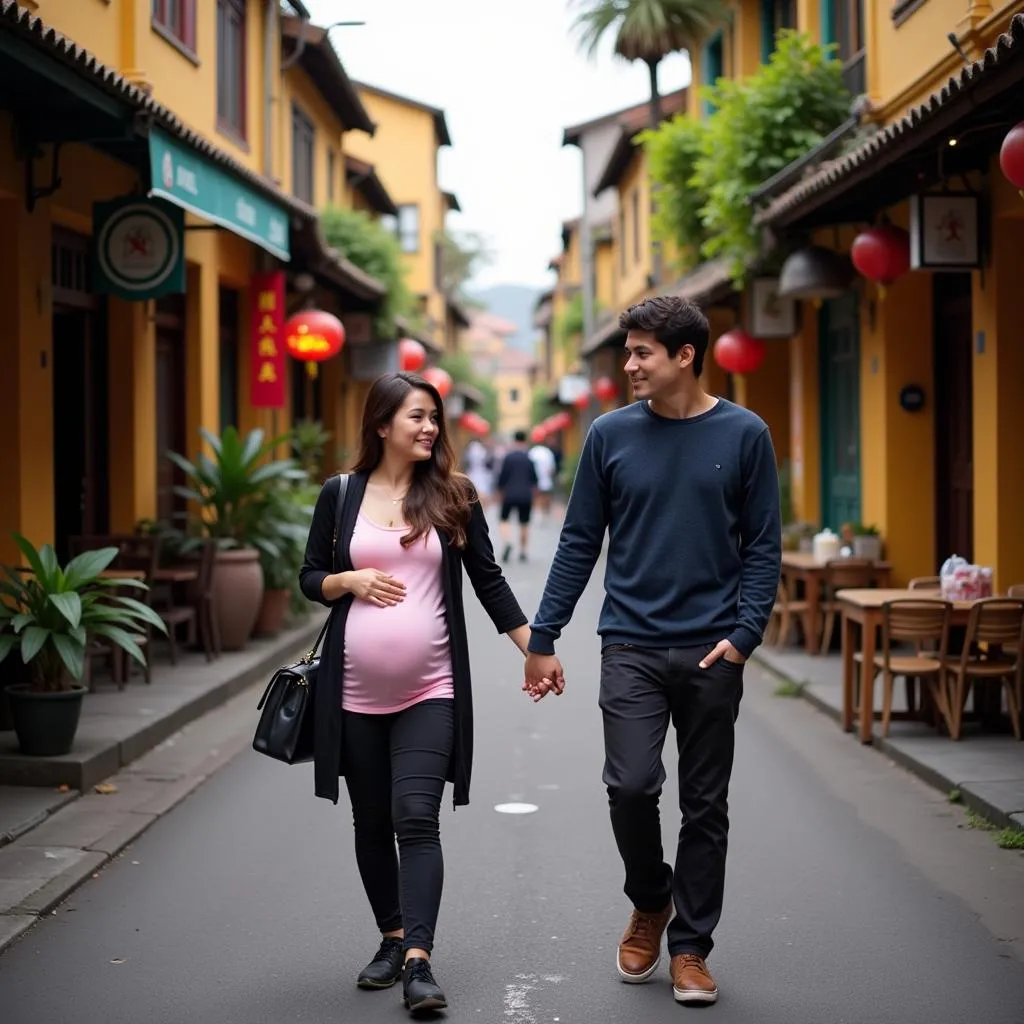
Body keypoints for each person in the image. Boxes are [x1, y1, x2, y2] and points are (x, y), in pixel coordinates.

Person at [523, 296, 781, 1007]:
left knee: (705, 804)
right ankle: (650, 898)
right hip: (630, 642)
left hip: (711, 649)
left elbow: (762, 545)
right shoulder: (609, 436)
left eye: (641, 353)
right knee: (631, 785)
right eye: (628, 352)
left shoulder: (745, 433)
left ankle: (691, 948)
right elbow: (580, 541)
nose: (629, 365)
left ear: (685, 356)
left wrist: (744, 634)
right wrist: (542, 639)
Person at [299, 372, 543, 1016]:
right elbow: (308, 576)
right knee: (371, 822)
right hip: (350, 694)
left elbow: (489, 580)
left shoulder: (455, 496)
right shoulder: (341, 493)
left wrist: (534, 649)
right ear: (381, 425)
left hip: (431, 690)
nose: (430, 427)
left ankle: (418, 962)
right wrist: (346, 580)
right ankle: (390, 935)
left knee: (417, 818)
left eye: (435, 417)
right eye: (416, 416)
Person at [496, 429, 538, 564]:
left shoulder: (508, 457)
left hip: (509, 494)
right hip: (526, 495)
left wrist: (499, 490)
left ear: (514, 440)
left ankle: (507, 542)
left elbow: (502, 477)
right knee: (524, 523)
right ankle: (523, 551)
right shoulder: (529, 458)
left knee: (504, 519)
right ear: (525, 440)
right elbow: (534, 479)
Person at [527, 440, 557, 523]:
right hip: (546, 479)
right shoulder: (548, 452)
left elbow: (528, 468)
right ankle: (545, 513)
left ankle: (538, 513)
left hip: (534, 480)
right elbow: (552, 469)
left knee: (536, 497)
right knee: (546, 496)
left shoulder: (532, 452)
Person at [461, 436, 495, 507]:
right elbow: (488, 462)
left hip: (472, 472)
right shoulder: (483, 450)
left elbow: (466, 463)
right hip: (482, 473)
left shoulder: (469, 450)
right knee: (482, 491)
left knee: (473, 490)